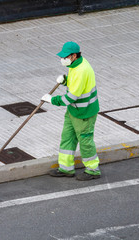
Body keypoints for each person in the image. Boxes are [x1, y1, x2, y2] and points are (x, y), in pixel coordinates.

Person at [41, 41, 101, 181]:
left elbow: (71, 98)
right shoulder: (75, 65)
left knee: (85, 141)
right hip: (73, 111)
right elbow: (75, 84)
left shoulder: (81, 70)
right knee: (67, 137)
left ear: (74, 55)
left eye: (65, 57)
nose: (63, 59)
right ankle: (66, 168)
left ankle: (93, 170)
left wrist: (52, 100)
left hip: (84, 113)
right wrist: (66, 80)